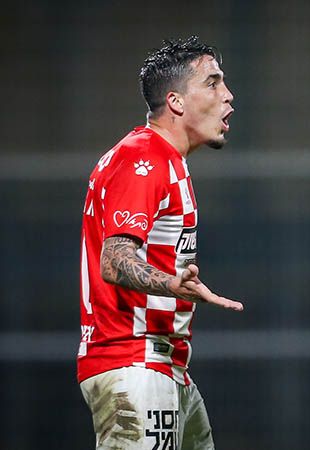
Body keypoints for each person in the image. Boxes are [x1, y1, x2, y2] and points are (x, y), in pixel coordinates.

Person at [77, 37, 243, 450]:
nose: (227, 95)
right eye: (213, 83)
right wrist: (172, 284)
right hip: (134, 361)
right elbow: (114, 259)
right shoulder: (143, 158)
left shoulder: (167, 160)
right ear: (176, 102)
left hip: (166, 366)